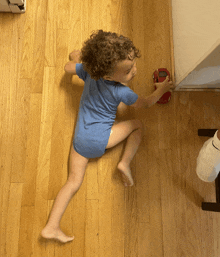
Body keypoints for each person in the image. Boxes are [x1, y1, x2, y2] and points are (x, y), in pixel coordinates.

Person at [41, 30, 174, 243]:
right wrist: (161, 89)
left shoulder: (89, 72)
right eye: (129, 70)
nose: (135, 71)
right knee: (137, 125)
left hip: (80, 142)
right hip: (101, 140)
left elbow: (67, 68)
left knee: (73, 182)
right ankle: (124, 163)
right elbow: (146, 103)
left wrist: (77, 59)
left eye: (133, 65)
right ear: (108, 76)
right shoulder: (122, 92)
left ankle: (51, 226)